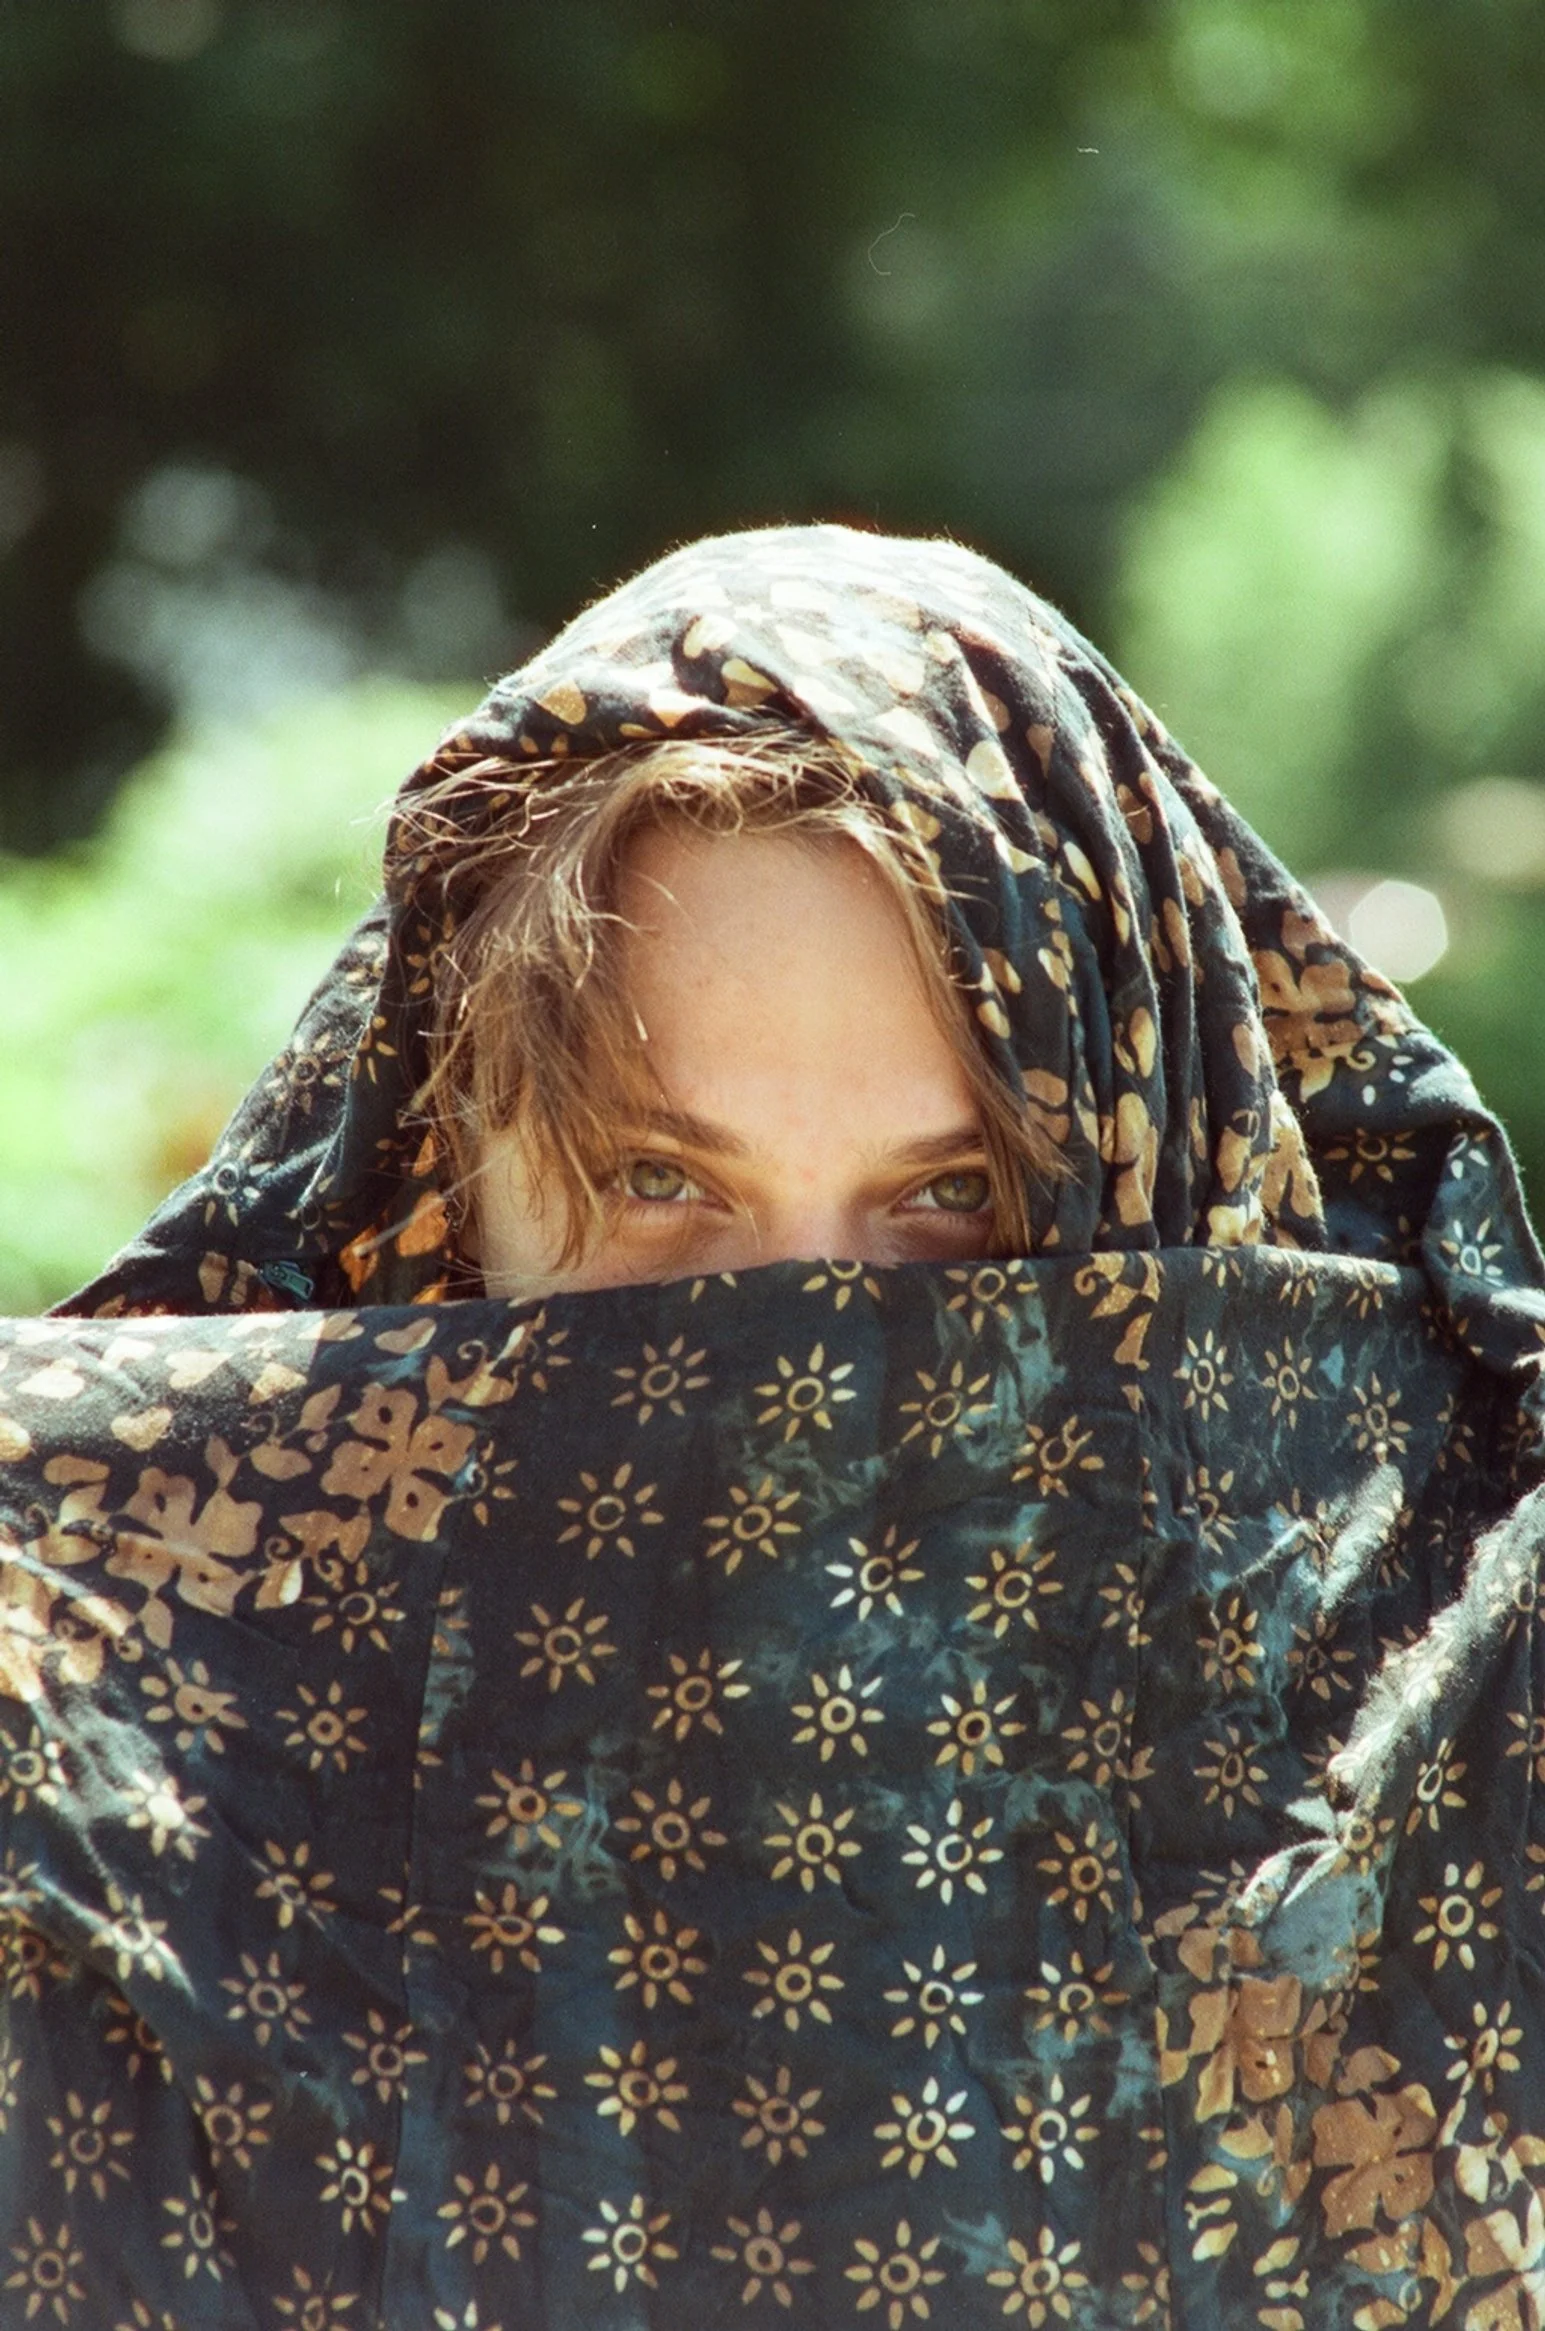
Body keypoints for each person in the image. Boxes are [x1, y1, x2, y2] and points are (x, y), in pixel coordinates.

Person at [4, 522, 1545, 2329]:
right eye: (660, 1178)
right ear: (440, 1199)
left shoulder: (1470, 1771)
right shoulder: (124, 1787)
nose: (810, 1351)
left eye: (955, 1198)